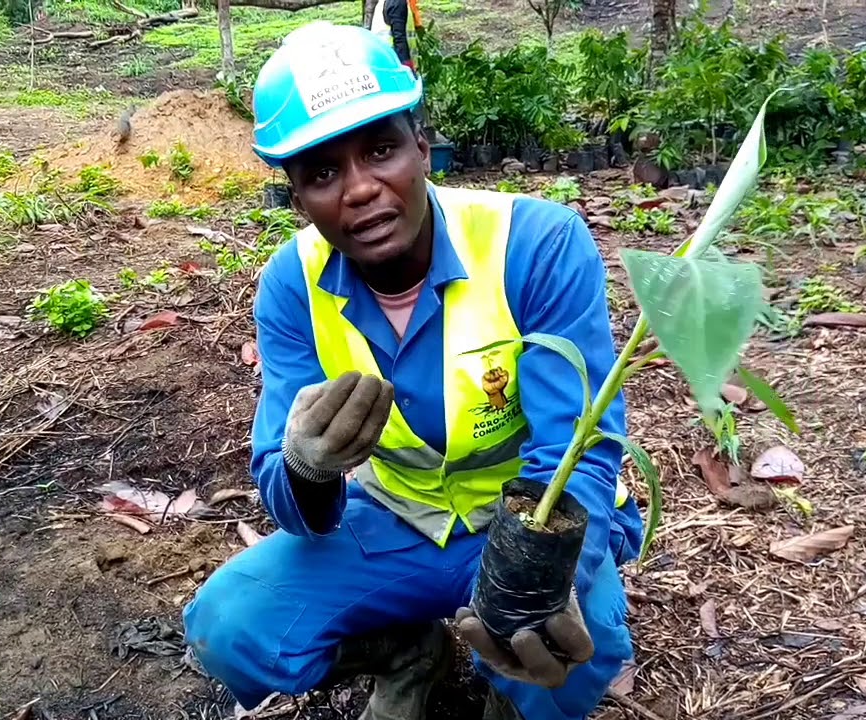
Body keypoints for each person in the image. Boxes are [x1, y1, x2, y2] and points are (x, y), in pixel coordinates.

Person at [182, 20, 643, 720]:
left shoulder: (534, 245)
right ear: (298, 197)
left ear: (422, 148)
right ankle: (408, 652)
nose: (361, 189)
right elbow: (282, 486)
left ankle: (509, 700)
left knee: (583, 642)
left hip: (519, 522)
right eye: (323, 172)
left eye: (380, 149)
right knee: (230, 630)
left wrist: (541, 577)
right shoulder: (292, 287)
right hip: (398, 521)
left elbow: (579, 446)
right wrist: (308, 468)